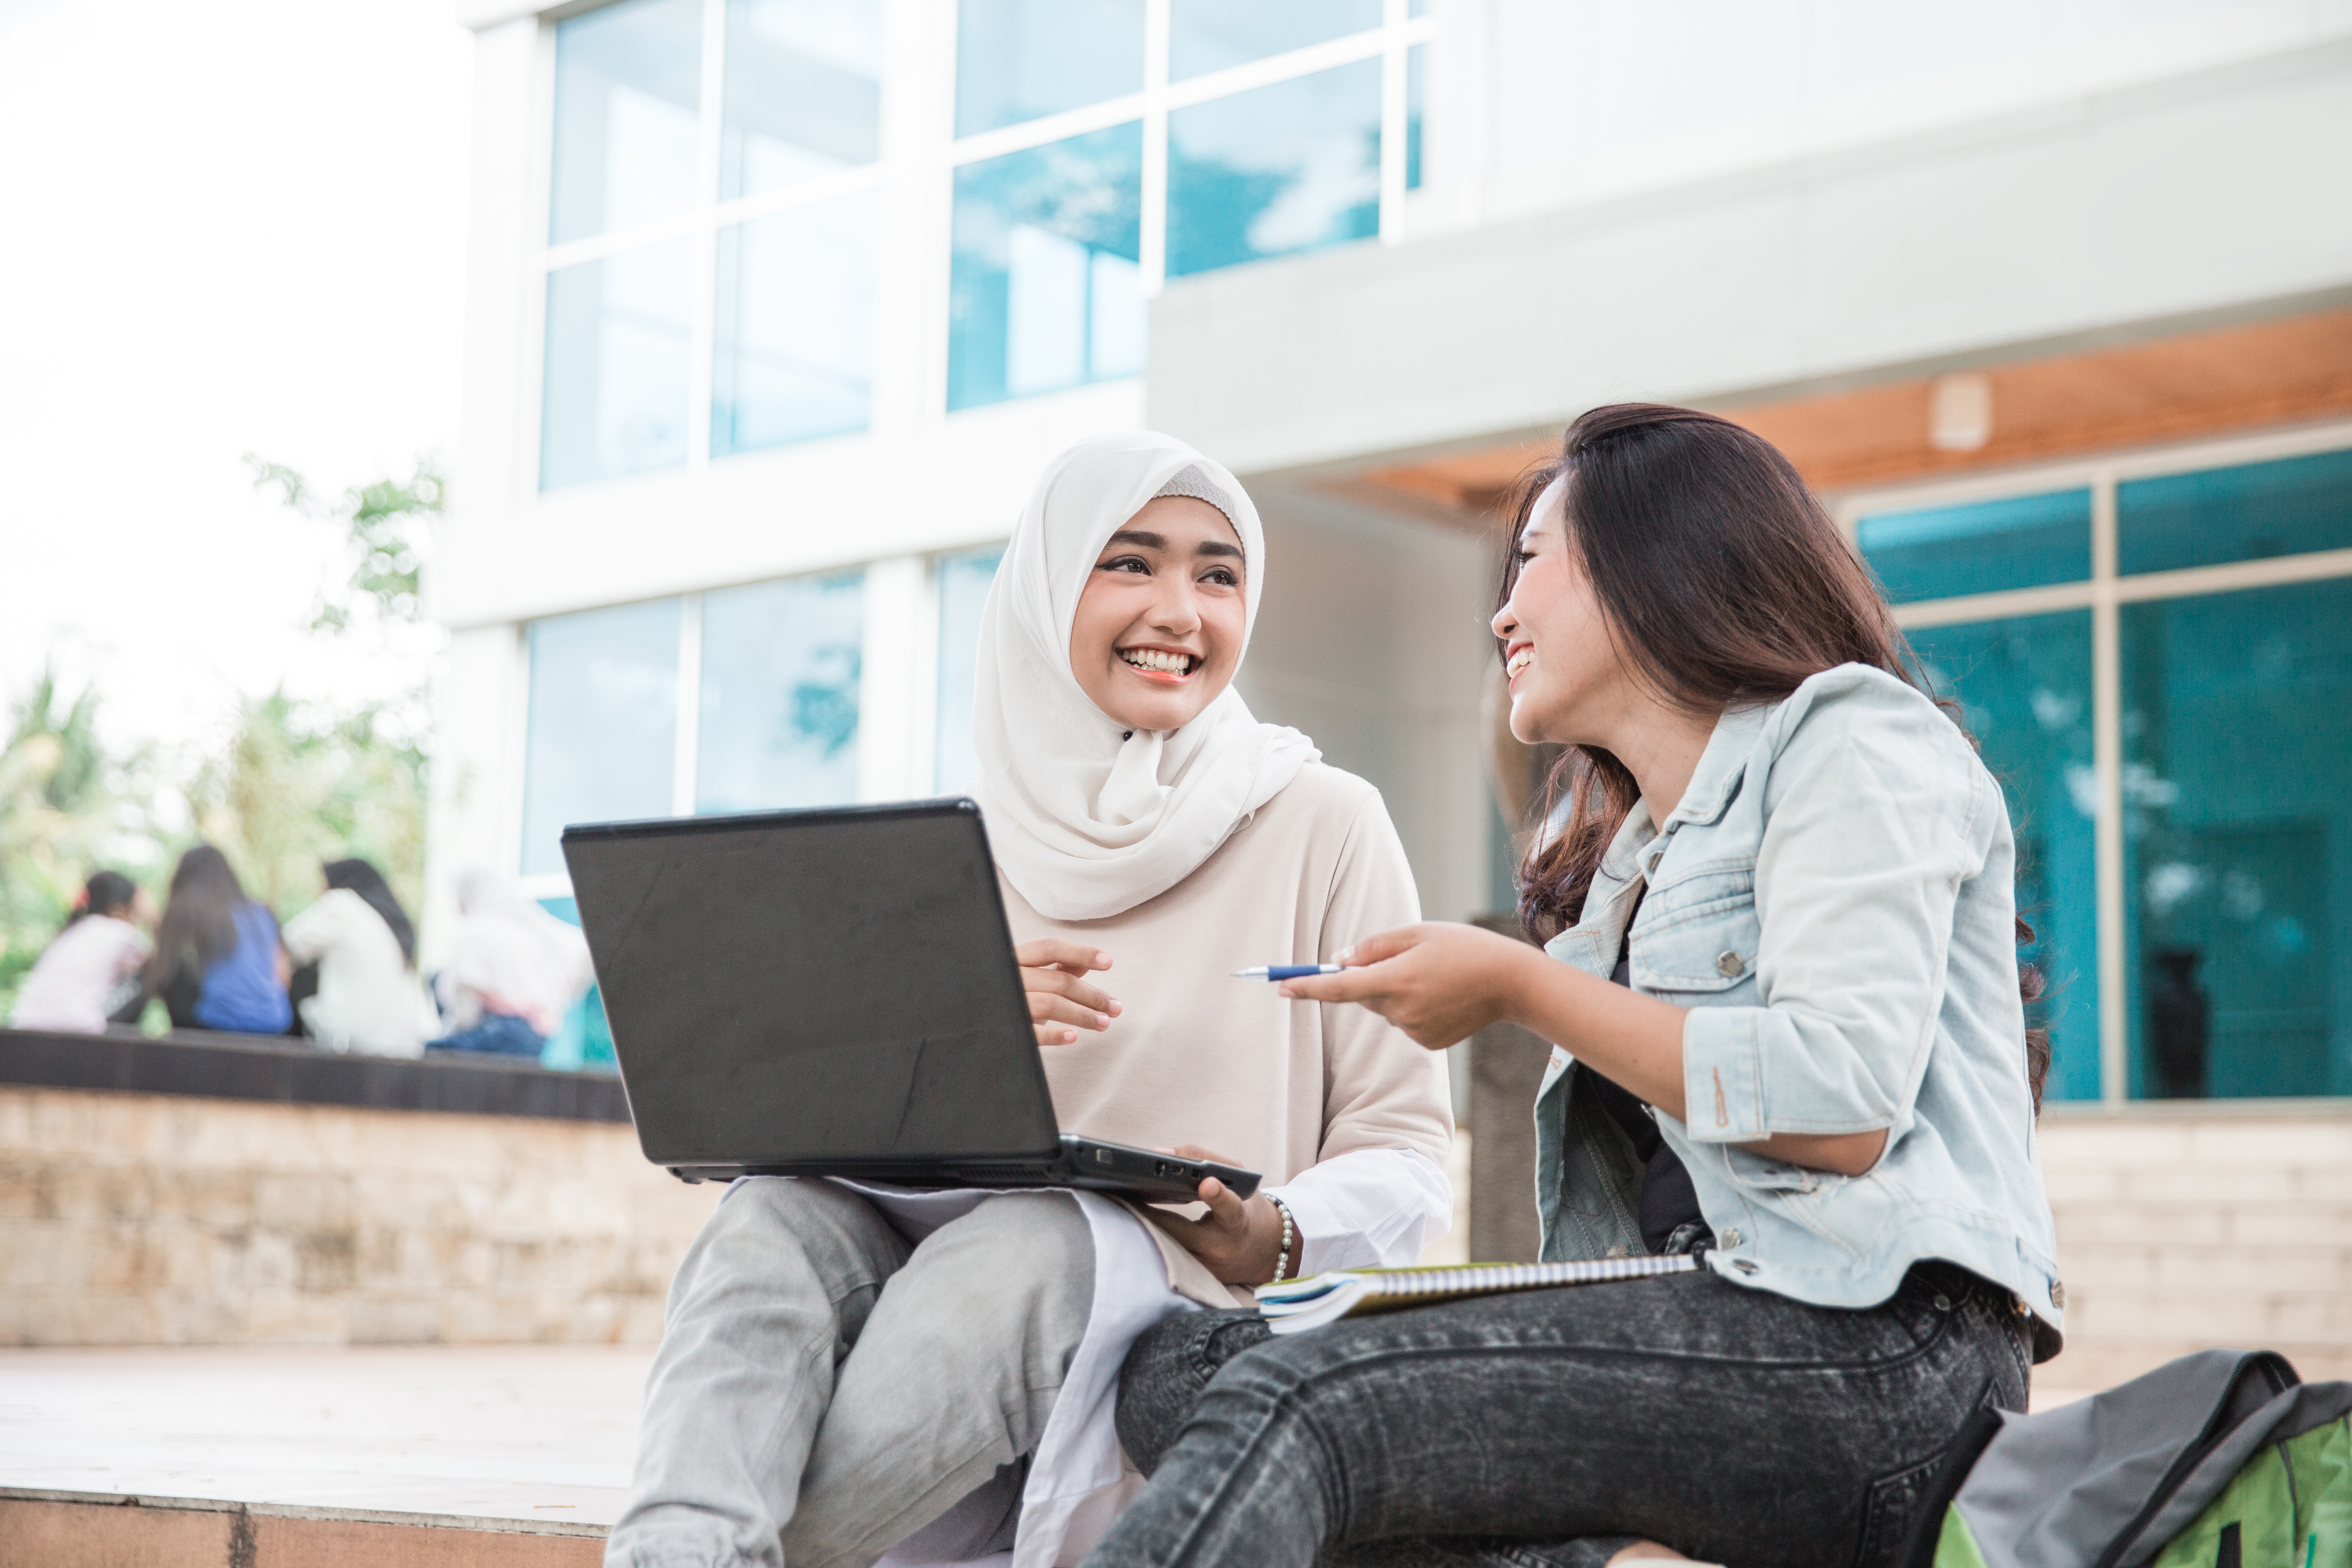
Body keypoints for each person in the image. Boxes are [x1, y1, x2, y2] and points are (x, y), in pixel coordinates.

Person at [1088, 404, 2063, 1568]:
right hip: (1707, 1324)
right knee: (1178, 1373)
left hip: (1885, 1354)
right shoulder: (1633, 870)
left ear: (1659, 560)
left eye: (1534, 564)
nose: (1502, 611)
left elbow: (1841, 1107)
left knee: (1307, 1397)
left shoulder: (1851, 737)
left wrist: (1515, 985)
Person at [603, 432, 1455, 1568]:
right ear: (1047, 586)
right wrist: (941, 1017)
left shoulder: (1320, 822)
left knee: (1035, 1238)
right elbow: (816, 1123)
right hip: (912, 1275)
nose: (1179, 611)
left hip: (1146, 1288)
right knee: (767, 1219)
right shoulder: (954, 844)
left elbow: (1406, 1153)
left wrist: (1279, 1232)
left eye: (1218, 574)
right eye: (1130, 563)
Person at [428, 868, 591, 1057]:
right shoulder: (527, 933)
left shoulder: (477, 931)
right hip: (535, 1041)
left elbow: (466, 1012)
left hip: (499, 1035)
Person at [280, 858, 435, 1057]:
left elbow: (284, 946)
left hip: (356, 1046)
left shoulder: (341, 904)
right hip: (405, 1046)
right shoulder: (387, 920)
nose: (318, 894)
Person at [142, 845, 293, 1035]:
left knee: (171, 971)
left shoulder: (186, 911)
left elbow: (163, 968)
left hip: (215, 1022)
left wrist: (150, 919)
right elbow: (283, 976)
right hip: (275, 1022)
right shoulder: (261, 912)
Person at [8, 871, 154, 1032]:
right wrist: (153, 918)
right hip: (76, 1028)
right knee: (149, 974)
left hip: (24, 1026)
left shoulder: (69, 931)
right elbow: (163, 963)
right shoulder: (121, 931)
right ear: (118, 910)